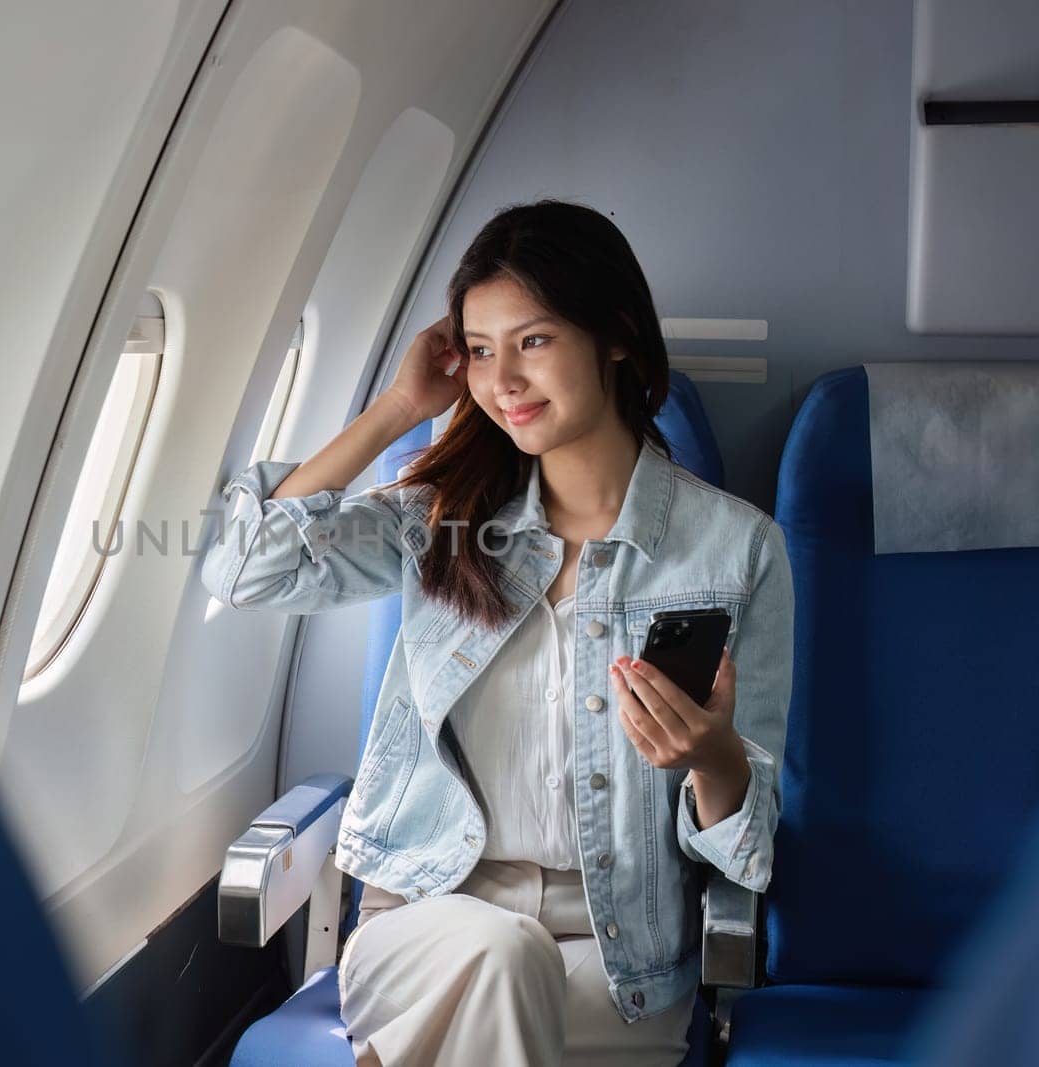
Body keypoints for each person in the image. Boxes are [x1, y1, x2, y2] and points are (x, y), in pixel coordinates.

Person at [201, 198, 793, 1066]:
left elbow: (751, 840)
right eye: (481, 350)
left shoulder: (737, 551)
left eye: (535, 341)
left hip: (617, 969)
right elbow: (247, 566)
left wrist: (711, 759)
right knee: (501, 953)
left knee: (517, 976)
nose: (502, 379)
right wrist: (399, 408)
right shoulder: (441, 522)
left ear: (618, 335)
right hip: (425, 937)